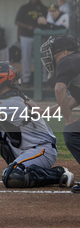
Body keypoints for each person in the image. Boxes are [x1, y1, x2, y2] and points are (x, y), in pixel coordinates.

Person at [40, 35, 80, 193]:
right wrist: (44, 112)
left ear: (64, 52)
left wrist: (68, 119)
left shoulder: (66, 60)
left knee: (72, 131)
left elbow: (59, 89)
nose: (51, 58)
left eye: (54, 53)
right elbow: (71, 101)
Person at [15, 0, 48, 85]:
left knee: (42, 58)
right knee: (26, 58)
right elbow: (17, 21)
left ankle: (44, 80)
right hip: (26, 36)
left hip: (40, 36)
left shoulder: (43, 8)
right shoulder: (25, 7)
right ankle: (26, 79)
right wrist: (28, 26)